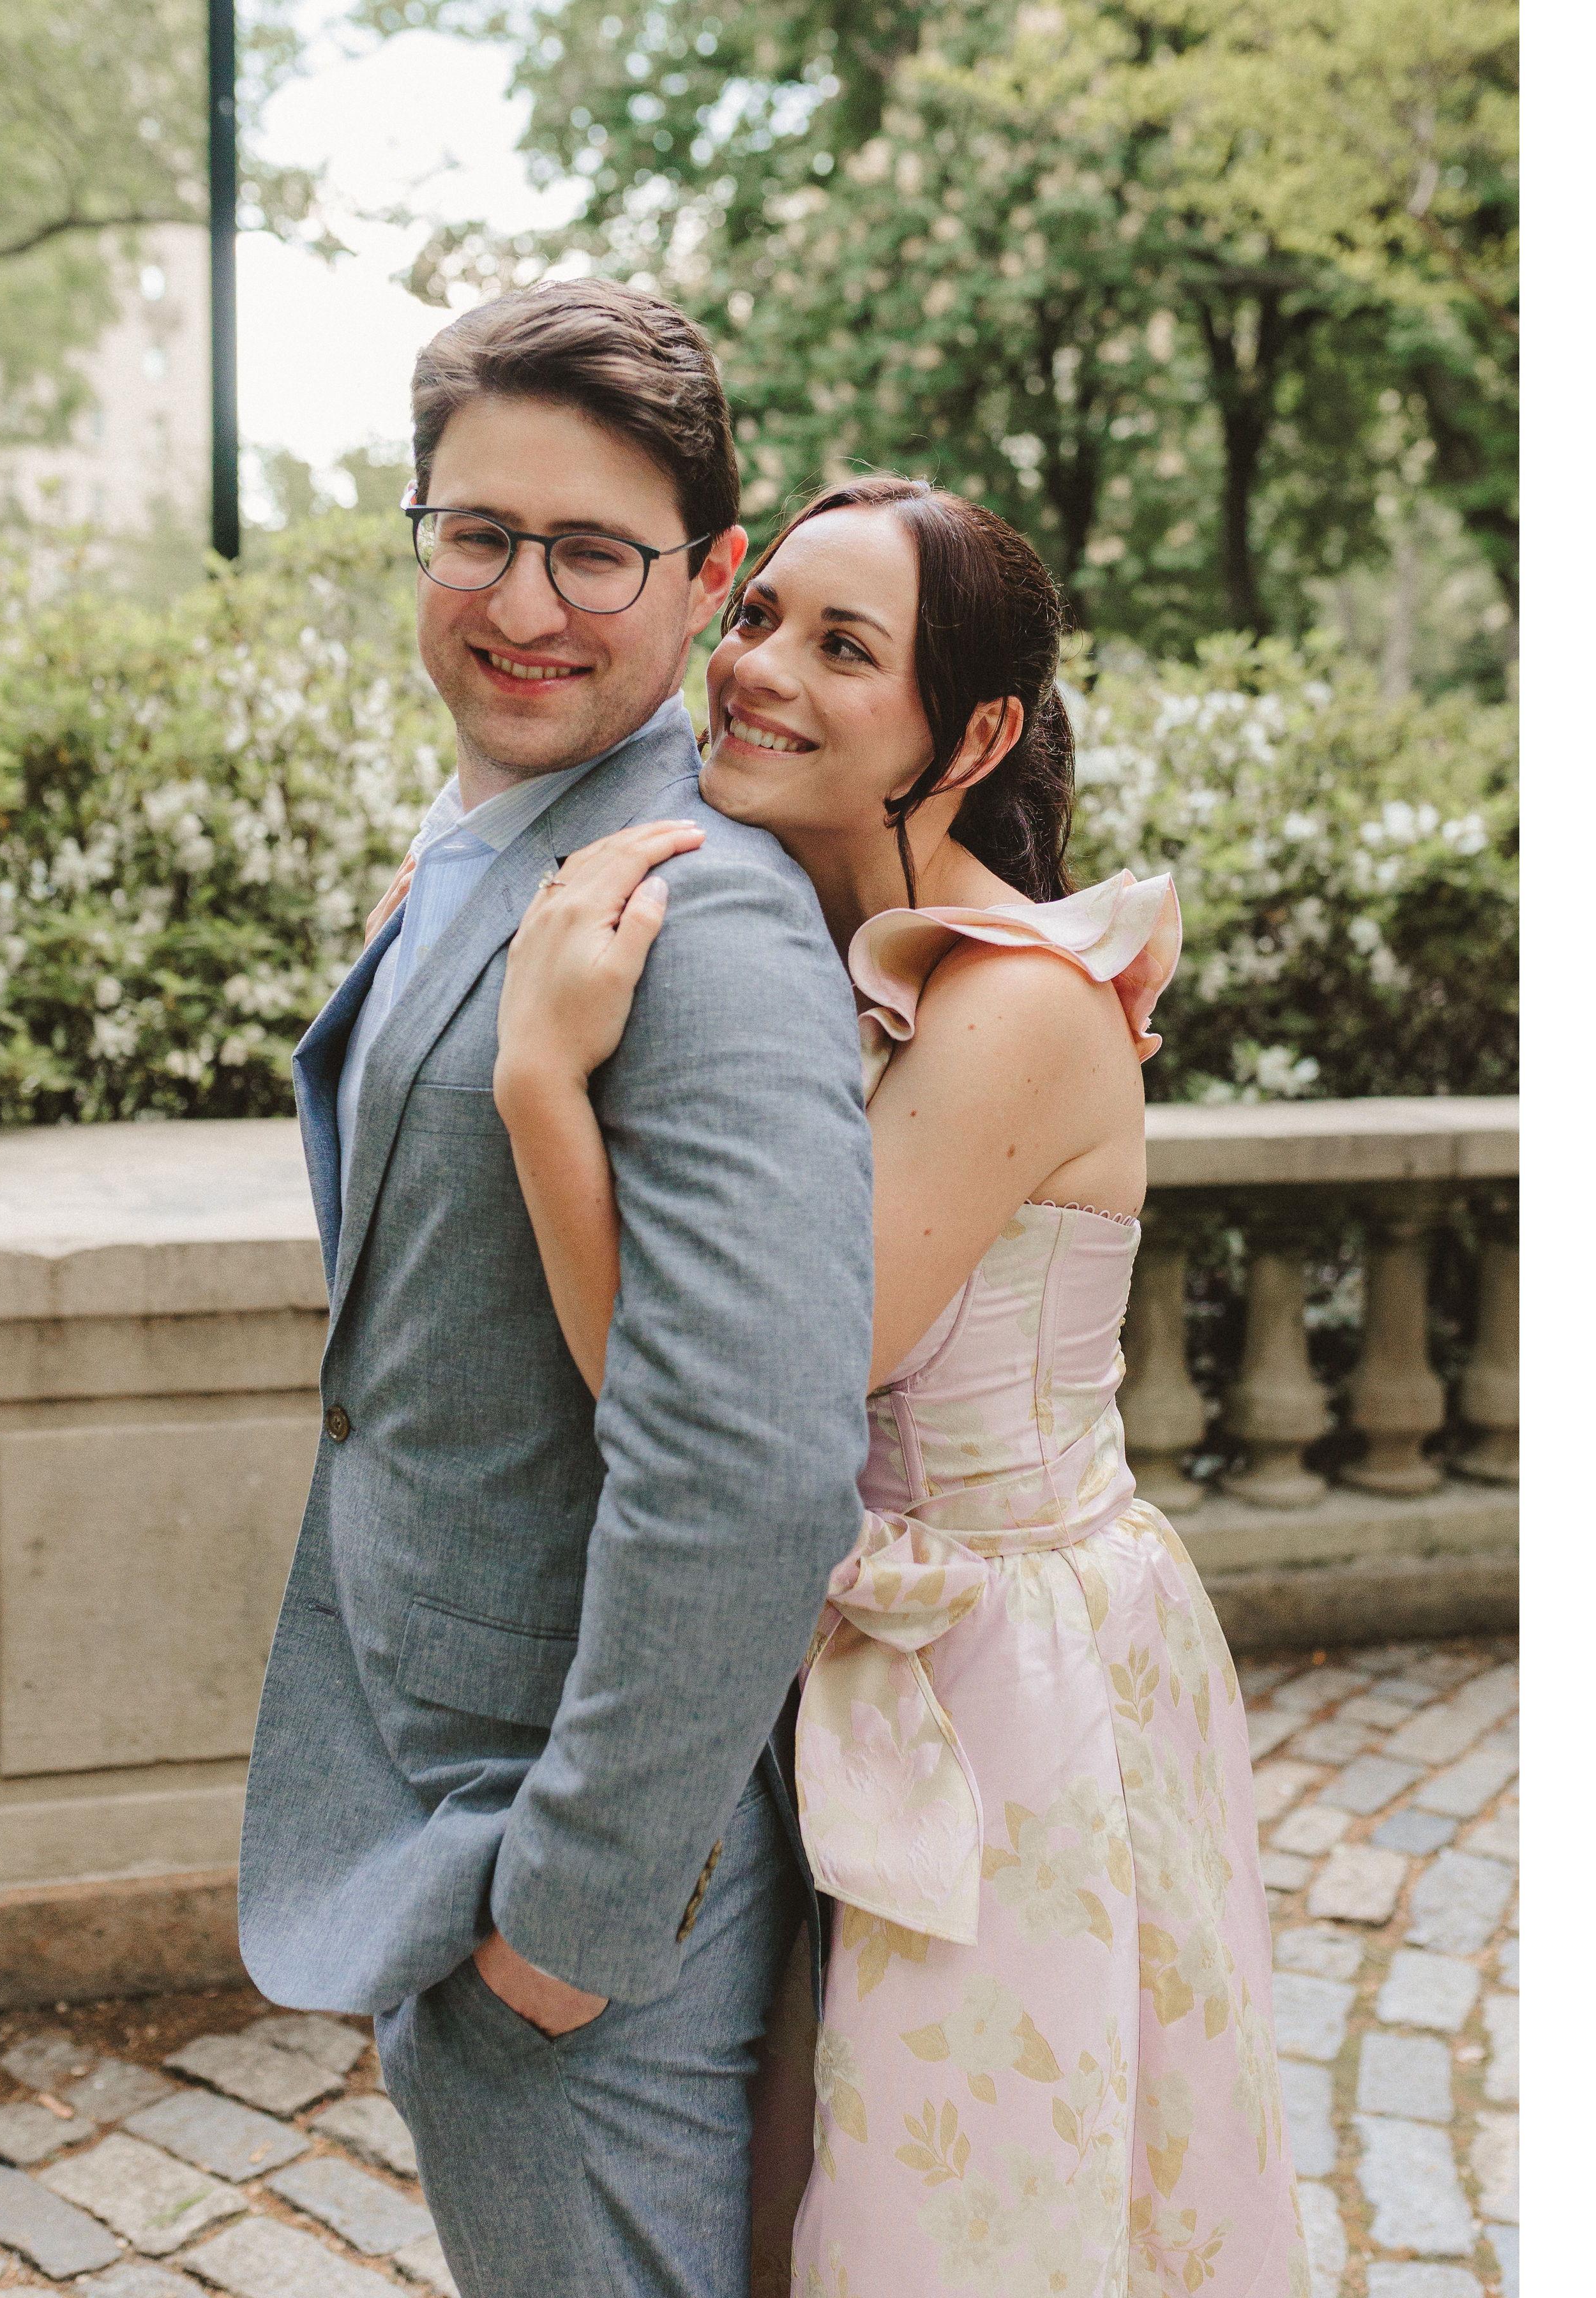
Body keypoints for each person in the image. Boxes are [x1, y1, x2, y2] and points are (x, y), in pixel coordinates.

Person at [492, 474, 1306, 2297]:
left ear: (976, 731)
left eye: (843, 647)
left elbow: (751, 1400)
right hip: (846, 1653)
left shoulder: (1015, 1006)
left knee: (959, 2217)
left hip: (1005, 1688)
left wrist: (542, 1093)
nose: (757, 670)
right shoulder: (795, 929)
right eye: (760, 614)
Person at [237, 281, 877, 2298]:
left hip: (576, 1886)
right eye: (478, 533)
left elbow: (759, 1472)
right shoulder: (515, 832)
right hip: (443, 1818)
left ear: (705, 584)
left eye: (594, 550)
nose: (525, 600)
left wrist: (564, 1927)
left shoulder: (706, 927)